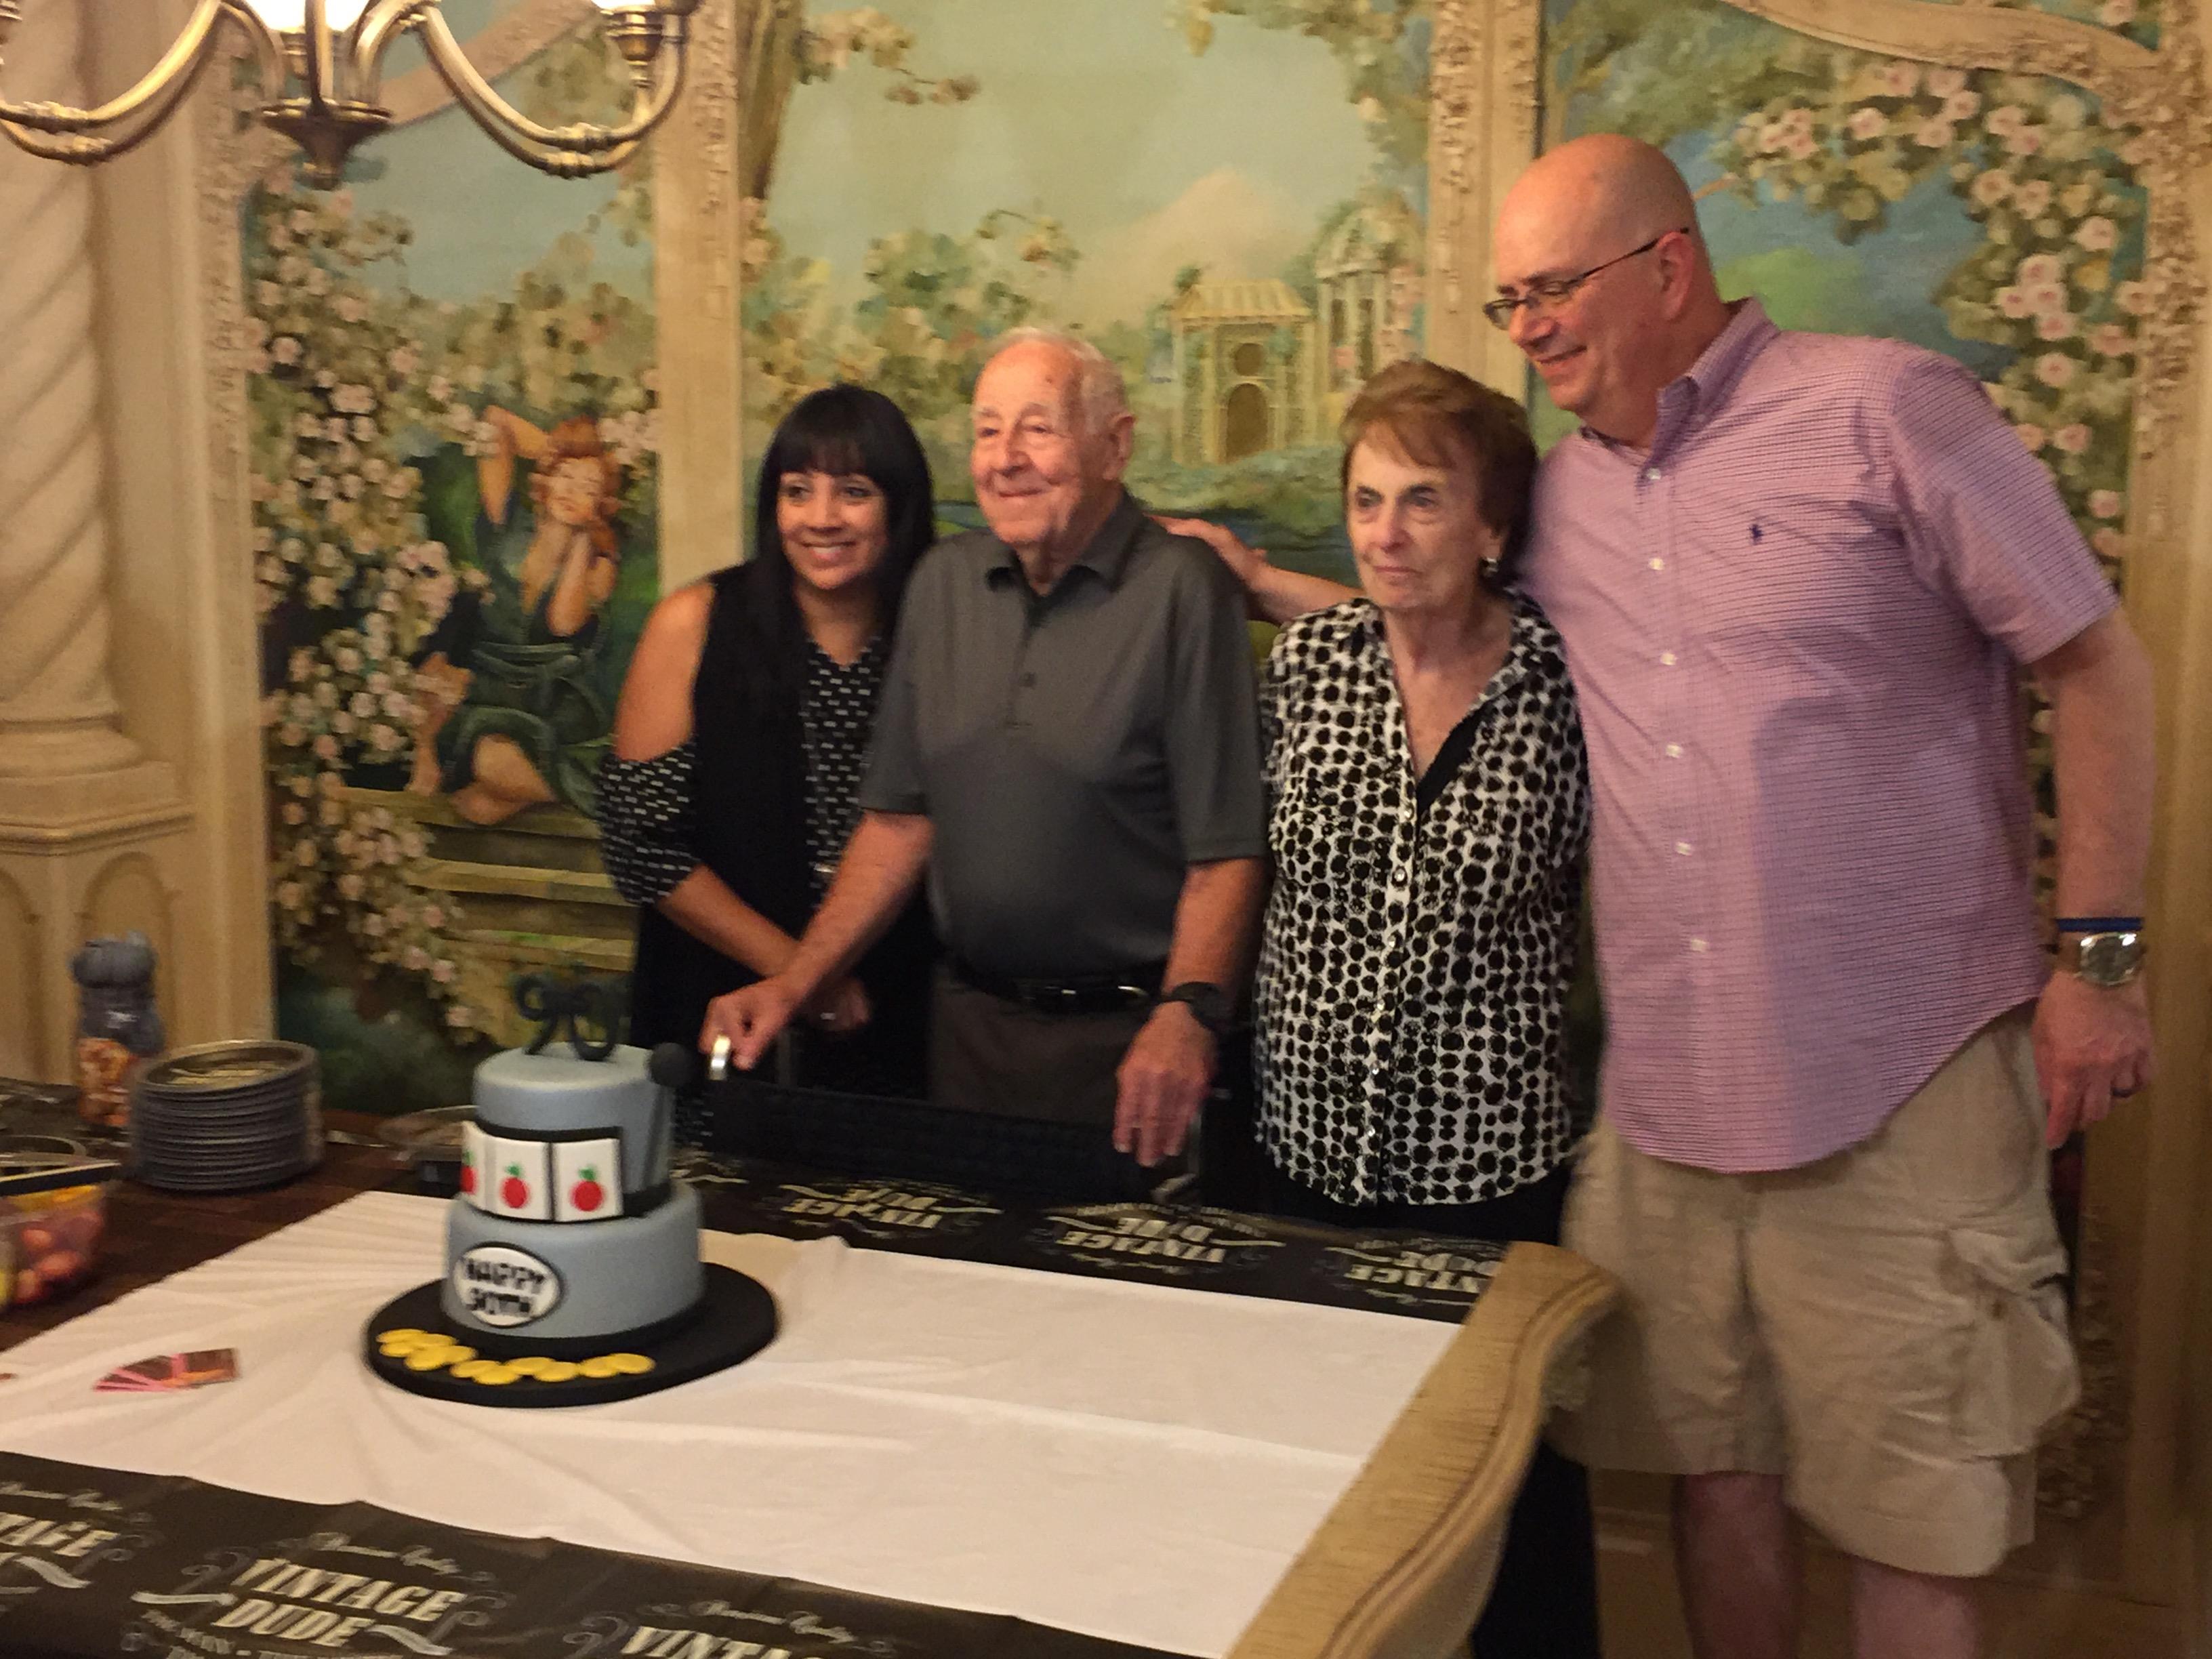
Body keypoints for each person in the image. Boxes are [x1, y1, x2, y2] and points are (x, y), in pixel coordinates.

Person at [1489, 134, 2156, 1659]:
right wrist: (1245, 584)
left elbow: (2097, 667)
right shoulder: (1557, 499)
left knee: (1910, 1515)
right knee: (1713, 1479)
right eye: (1505, 301)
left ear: (1667, 264)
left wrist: (2101, 962)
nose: (1526, 327)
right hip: (1667, 1107)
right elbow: (1442, 616)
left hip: (1901, 1088)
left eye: (1551, 289)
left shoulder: (1886, 408)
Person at [1168, 357, 1597, 1659]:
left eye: (1422, 499)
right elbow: (1238, 859)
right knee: (1319, 1489)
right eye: (1365, 501)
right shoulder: (1312, 664)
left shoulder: (1565, 688)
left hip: (1485, 1170)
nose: (1386, 532)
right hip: (1302, 1156)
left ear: (1490, 525)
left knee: (1500, 1499)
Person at [701, 328, 1267, 1187]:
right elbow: (898, 823)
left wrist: (1188, 1014)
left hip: (1131, 1054)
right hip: (966, 1039)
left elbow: (1225, 852)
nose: (1005, 459)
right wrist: (795, 982)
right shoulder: (943, 582)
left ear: (1114, 446)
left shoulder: (1184, 588)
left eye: (1038, 428)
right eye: (987, 431)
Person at [596, 386, 938, 1107]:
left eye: (854, 492)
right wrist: (803, 975)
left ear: (900, 507)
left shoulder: (942, 632)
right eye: (797, 491)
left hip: (904, 1010)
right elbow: (640, 845)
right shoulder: (695, 623)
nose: (821, 518)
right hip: (717, 1003)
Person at [412, 407, 626, 825]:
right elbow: (495, 422)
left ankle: (590, 798)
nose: (571, 491)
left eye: (588, 488)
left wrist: (585, 538)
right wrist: (562, 452)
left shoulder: (600, 567)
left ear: (601, 504)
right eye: (565, 478)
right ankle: (596, 797)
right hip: (490, 692)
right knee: (487, 769)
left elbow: (563, 623)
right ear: (547, 479)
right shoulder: (507, 525)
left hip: (555, 705)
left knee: (483, 800)